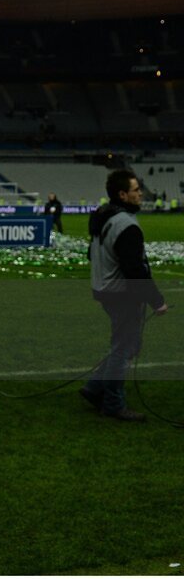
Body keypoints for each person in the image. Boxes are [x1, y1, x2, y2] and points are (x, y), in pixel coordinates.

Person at [80, 170, 169, 422]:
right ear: (123, 194)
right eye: (135, 190)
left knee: (123, 344)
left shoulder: (104, 217)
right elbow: (134, 270)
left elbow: (92, 254)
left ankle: (94, 387)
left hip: (104, 289)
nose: (141, 193)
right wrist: (157, 301)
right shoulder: (125, 224)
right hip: (122, 294)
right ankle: (113, 404)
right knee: (124, 348)